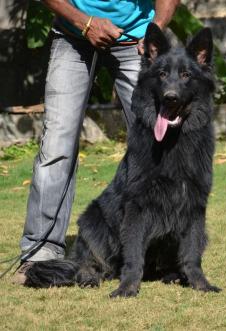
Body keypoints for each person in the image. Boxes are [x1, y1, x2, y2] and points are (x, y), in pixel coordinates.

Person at [12, 0, 180, 284]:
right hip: (72, 35)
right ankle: (39, 253)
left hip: (135, 40)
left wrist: (156, 29)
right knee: (57, 145)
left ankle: (165, 256)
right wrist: (85, 23)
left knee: (161, 144)